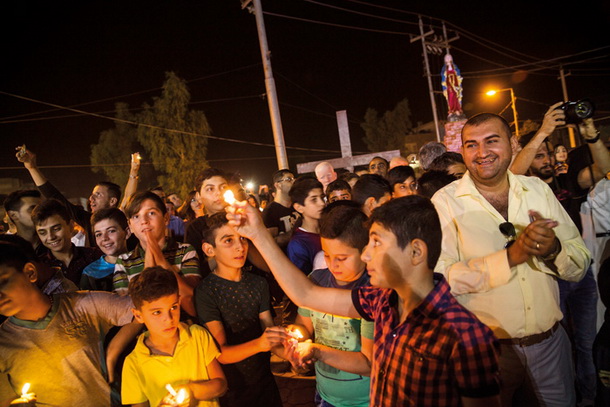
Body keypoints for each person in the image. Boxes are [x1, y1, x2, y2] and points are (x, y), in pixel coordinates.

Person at [226, 196, 501, 407]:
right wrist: (258, 235)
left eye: (377, 243)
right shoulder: (381, 302)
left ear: (416, 251)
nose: (366, 255)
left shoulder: (466, 336)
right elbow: (306, 295)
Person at [431, 113, 591, 406]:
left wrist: (553, 249)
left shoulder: (538, 190)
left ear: (512, 143)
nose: (482, 153)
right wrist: (509, 258)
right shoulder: (445, 202)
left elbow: (580, 263)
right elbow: (441, 279)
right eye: (471, 145)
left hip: (550, 346)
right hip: (487, 355)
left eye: (492, 141)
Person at [0, 240, 135, 406]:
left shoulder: (83, 306)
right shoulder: (4, 344)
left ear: (30, 273)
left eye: (3, 281)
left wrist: (114, 349)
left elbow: (143, 309)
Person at [195, 213, 288, 407]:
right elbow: (220, 353)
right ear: (209, 249)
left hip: (264, 382)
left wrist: (291, 353)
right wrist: (260, 344)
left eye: (243, 239)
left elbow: (268, 332)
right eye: (228, 240)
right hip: (233, 390)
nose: (240, 247)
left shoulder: (259, 283)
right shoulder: (207, 291)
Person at [294, 202, 373, 407]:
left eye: (342, 258)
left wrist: (317, 351)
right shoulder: (316, 280)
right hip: (325, 395)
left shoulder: (372, 290)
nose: (333, 264)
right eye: (327, 255)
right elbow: (303, 326)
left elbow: (369, 363)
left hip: (366, 399)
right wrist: (292, 337)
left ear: (365, 251)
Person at [121, 267, 227, 407]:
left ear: (179, 301)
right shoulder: (133, 363)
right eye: (157, 312)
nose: (169, 319)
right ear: (138, 315)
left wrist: (191, 390)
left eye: (173, 307)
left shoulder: (197, 335)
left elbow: (221, 385)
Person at [17, 148, 140, 246]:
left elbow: (128, 197)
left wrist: (134, 171)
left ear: (112, 201)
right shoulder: (87, 220)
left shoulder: (122, 218)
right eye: (98, 234)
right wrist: (32, 168)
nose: (91, 199)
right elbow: (55, 196)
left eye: (98, 195)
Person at [114, 191, 201, 317]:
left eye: (151, 213)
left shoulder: (185, 251)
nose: (144, 221)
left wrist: (161, 262)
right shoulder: (124, 261)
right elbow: (127, 312)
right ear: (130, 226)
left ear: (166, 219)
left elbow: (192, 301)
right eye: (136, 216)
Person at [32, 199, 102, 285]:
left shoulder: (94, 257)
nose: (50, 237)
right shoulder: (39, 267)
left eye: (56, 229)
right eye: (43, 233)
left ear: (71, 225)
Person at [185, 168, 230, 276]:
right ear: (198, 197)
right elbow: (196, 269)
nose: (218, 193)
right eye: (210, 189)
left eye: (223, 187)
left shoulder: (242, 219)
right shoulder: (195, 228)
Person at [81, 208, 131, 291]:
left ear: (127, 232)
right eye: (98, 234)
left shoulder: (142, 262)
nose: (104, 238)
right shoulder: (90, 273)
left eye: (111, 231)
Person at [287, 176, 325, 275]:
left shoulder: (329, 229)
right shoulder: (298, 243)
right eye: (314, 200)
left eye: (322, 197)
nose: (322, 203)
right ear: (299, 208)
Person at [262, 169, 299, 249]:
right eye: (289, 179)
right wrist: (299, 230)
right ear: (278, 185)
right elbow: (272, 243)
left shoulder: (298, 206)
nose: (293, 182)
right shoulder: (270, 211)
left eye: (294, 179)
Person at [2, 190, 44, 255]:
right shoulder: (6, 250)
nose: (40, 213)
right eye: (33, 209)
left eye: (41, 208)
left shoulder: (54, 245)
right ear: (13, 215)